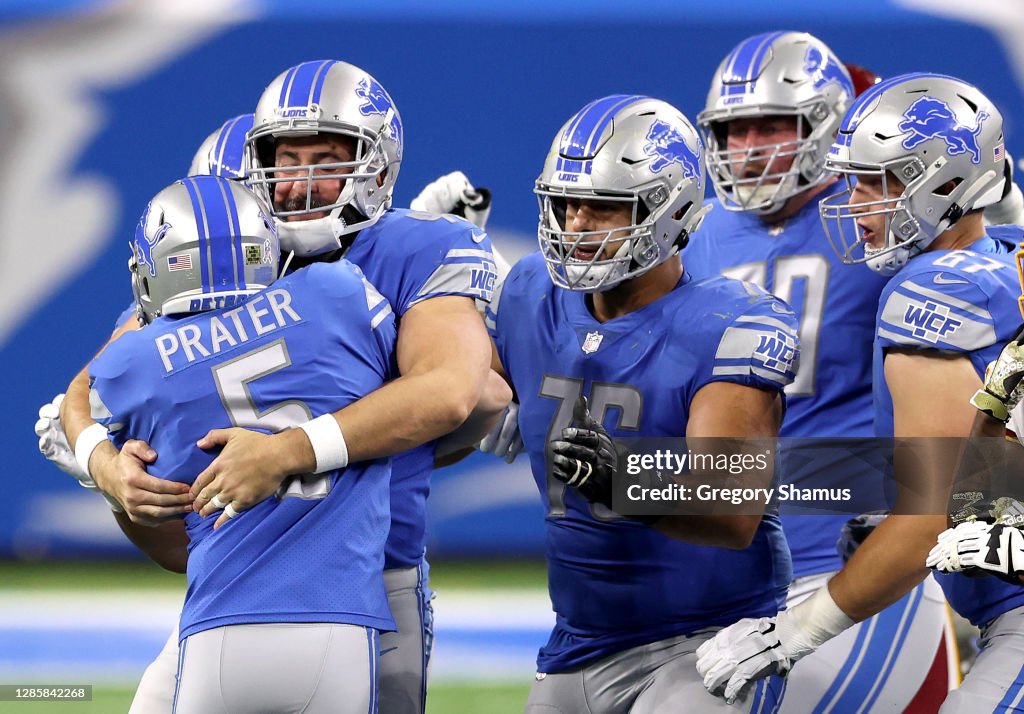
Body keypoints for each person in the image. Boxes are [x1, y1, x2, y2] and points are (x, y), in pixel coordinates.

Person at [55, 60, 503, 714]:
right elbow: (85, 389)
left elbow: (465, 397)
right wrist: (103, 462)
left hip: (373, 577)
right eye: (281, 159)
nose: (293, 184)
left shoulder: (411, 247)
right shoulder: (223, 256)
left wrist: (290, 450)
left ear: (374, 165)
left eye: (324, 159)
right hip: (233, 574)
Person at [695, 73, 1024, 713]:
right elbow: (980, 471)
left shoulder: (933, 291)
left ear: (949, 184)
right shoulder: (1005, 257)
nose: (859, 201)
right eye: (855, 179)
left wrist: (796, 631)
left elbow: (932, 513)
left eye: (882, 181)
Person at [487, 94, 799, 713]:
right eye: (566, 203)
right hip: (575, 643)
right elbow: (463, 408)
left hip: (708, 642)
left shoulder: (729, 319)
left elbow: (733, 505)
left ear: (673, 212)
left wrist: (622, 481)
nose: (575, 224)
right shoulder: (529, 292)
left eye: (603, 208)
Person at [89, 174, 397, 712]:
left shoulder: (130, 364)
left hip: (219, 622)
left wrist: (95, 457)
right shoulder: (337, 294)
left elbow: (160, 532)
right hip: (340, 622)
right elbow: (442, 393)